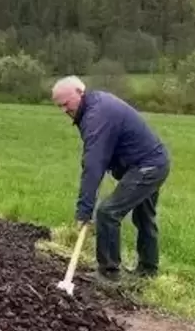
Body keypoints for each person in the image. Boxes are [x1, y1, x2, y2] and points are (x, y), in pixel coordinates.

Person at [51, 75, 170, 281]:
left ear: (80, 93)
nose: (64, 110)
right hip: (152, 162)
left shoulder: (96, 116)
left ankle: (109, 273)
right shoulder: (94, 107)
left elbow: (93, 164)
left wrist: (84, 210)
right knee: (143, 217)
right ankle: (148, 271)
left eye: (66, 103)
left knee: (107, 212)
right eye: (59, 106)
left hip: (147, 166)